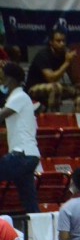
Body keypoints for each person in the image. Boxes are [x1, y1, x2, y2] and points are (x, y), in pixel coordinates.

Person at [0, 62, 40, 214]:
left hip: (21, 155)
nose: (2, 83)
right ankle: (38, 227)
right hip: (30, 156)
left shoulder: (20, 96)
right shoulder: (18, 98)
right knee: (30, 204)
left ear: (10, 80)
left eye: (3, 79)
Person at [25, 29, 80, 113]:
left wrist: (71, 63)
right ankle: (54, 117)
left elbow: (74, 80)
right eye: (58, 41)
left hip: (53, 87)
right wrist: (67, 62)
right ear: (51, 42)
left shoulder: (65, 55)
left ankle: (76, 117)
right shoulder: (43, 55)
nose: (62, 44)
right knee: (56, 87)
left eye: (63, 41)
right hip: (33, 89)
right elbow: (51, 79)